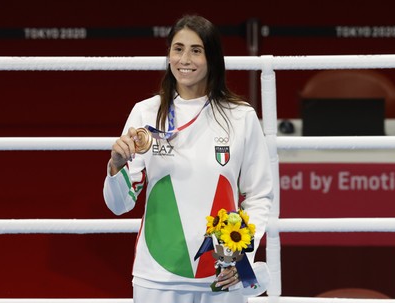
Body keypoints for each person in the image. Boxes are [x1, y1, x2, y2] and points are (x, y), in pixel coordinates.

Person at [103, 15, 273, 303]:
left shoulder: (240, 116)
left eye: (196, 50)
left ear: (213, 58)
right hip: (157, 275)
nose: (185, 59)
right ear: (168, 54)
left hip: (222, 275)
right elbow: (120, 205)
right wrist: (116, 167)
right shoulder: (145, 113)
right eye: (178, 48)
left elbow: (259, 195)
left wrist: (242, 252)